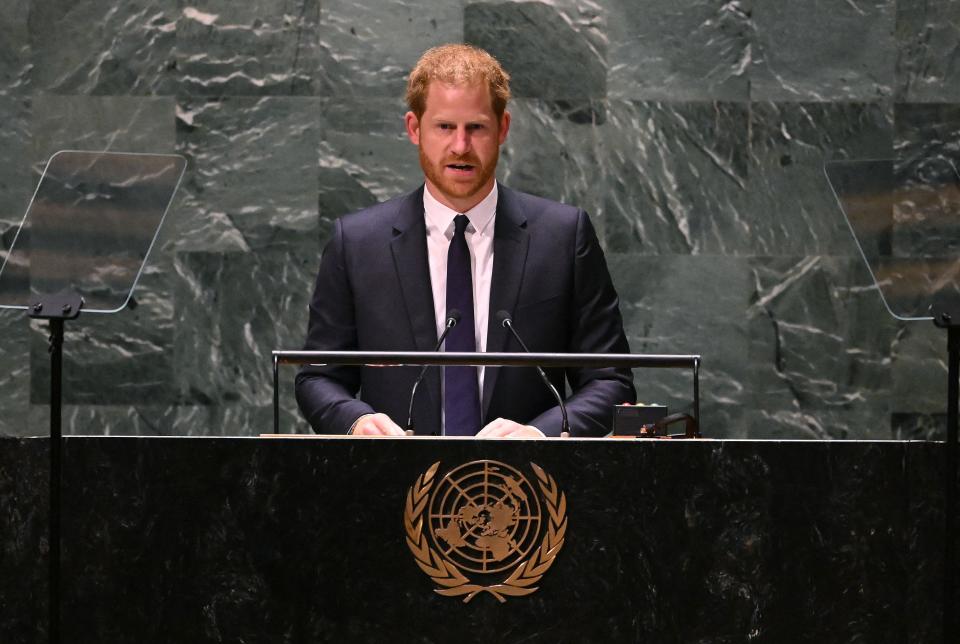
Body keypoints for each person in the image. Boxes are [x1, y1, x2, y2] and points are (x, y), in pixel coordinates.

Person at [295, 44, 635, 437]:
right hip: (391, 483)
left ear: (502, 128)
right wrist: (355, 421)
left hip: (527, 486)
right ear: (414, 129)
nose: (460, 146)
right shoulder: (356, 243)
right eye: (444, 127)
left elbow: (611, 382)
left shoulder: (562, 237)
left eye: (476, 127)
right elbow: (318, 378)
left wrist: (539, 435)